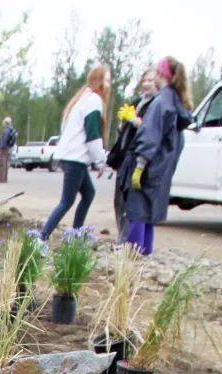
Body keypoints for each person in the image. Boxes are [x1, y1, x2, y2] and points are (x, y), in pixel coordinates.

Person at [123, 56, 193, 255]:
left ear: (162, 74)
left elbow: (149, 135)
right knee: (148, 213)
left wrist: (139, 165)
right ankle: (145, 254)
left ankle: (132, 258)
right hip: (162, 167)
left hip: (148, 166)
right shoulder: (176, 102)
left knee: (137, 210)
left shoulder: (160, 102)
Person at [38, 65, 111, 241]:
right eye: (107, 80)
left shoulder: (82, 99)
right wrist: (100, 160)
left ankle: (76, 234)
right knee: (67, 201)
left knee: (88, 193)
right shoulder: (93, 100)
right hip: (75, 158)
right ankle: (42, 238)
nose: (109, 85)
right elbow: (92, 134)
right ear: (99, 81)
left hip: (72, 156)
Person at [109, 69, 157, 240]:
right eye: (144, 80)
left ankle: (129, 243)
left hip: (139, 158)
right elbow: (124, 131)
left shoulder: (155, 106)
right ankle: (122, 237)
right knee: (119, 200)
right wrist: (123, 123)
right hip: (124, 157)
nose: (146, 84)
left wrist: (135, 121)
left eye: (150, 80)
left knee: (133, 204)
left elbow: (152, 131)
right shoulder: (137, 103)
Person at [0, 116, 17, 183]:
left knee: (2, 163)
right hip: (8, 148)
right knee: (5, 164)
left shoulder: (6, 131)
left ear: (5, 123)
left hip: (4, 149)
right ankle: (4, 178)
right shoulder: (11, 130)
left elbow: (3, 141)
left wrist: (1, 149)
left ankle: (1, 179)